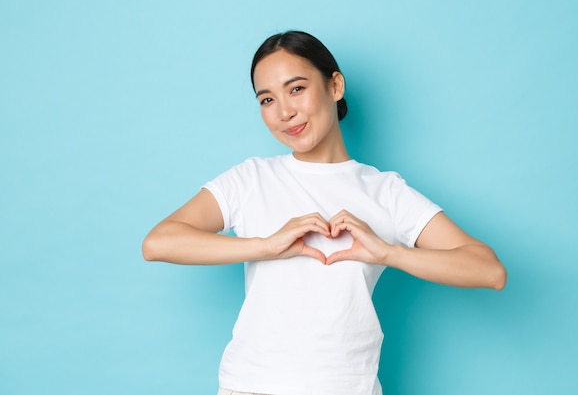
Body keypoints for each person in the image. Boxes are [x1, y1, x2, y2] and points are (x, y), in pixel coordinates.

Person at [142, 30, 507, 395]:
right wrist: (266, 246)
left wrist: (389, 253)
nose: (284, 112)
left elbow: (489, 270)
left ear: (335, 86)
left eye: (296, 88)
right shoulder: (252, 178)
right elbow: (158, 243)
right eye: (267, 99)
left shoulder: (385, 191)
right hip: (250, 386)